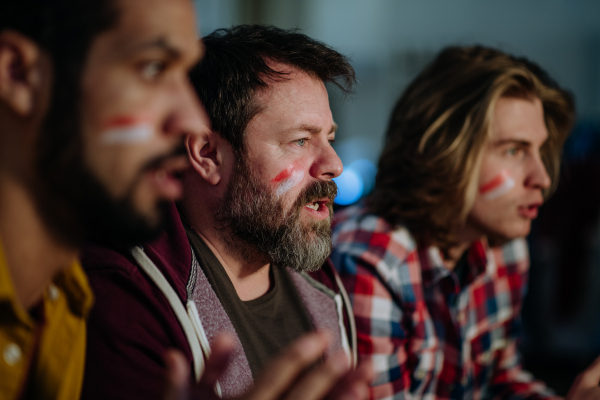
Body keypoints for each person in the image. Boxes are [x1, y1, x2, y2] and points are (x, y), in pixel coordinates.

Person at [81, 25, 371, 400]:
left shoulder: (321, 279)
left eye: (328, 139)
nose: (334, 164)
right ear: (208, 155)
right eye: (300, 140)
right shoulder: (128, 296)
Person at [330, 45, 600, 399]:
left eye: (540, 150)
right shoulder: (372, 261)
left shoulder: (504, 244)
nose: (543, 177)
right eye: (515, 151)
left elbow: (499, 379)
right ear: (443, 153)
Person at [0, 0, 210, 398]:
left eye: (186, 75)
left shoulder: (66, 299)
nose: (193, 121)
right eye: (153, 68)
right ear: (20, 74)